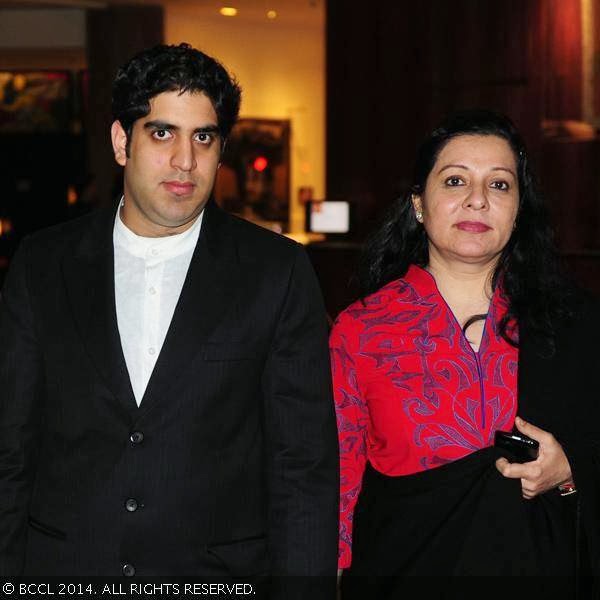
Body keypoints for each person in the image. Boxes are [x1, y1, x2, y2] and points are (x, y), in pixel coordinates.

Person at [0, 43, 338, 586]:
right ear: (120, 142)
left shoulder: (276, 271)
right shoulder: (43, 265)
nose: (186, 160)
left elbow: (302, 469)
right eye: (162, 133)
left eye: (202, 137)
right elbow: (10, 449)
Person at [330, 109, 600, 592]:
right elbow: (335, 487)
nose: (477, 200)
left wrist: (570, 468)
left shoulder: (573, 324)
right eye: (455, 181)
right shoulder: (361, 330)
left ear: (519, 209)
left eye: (499, 185)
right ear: (418, 203)